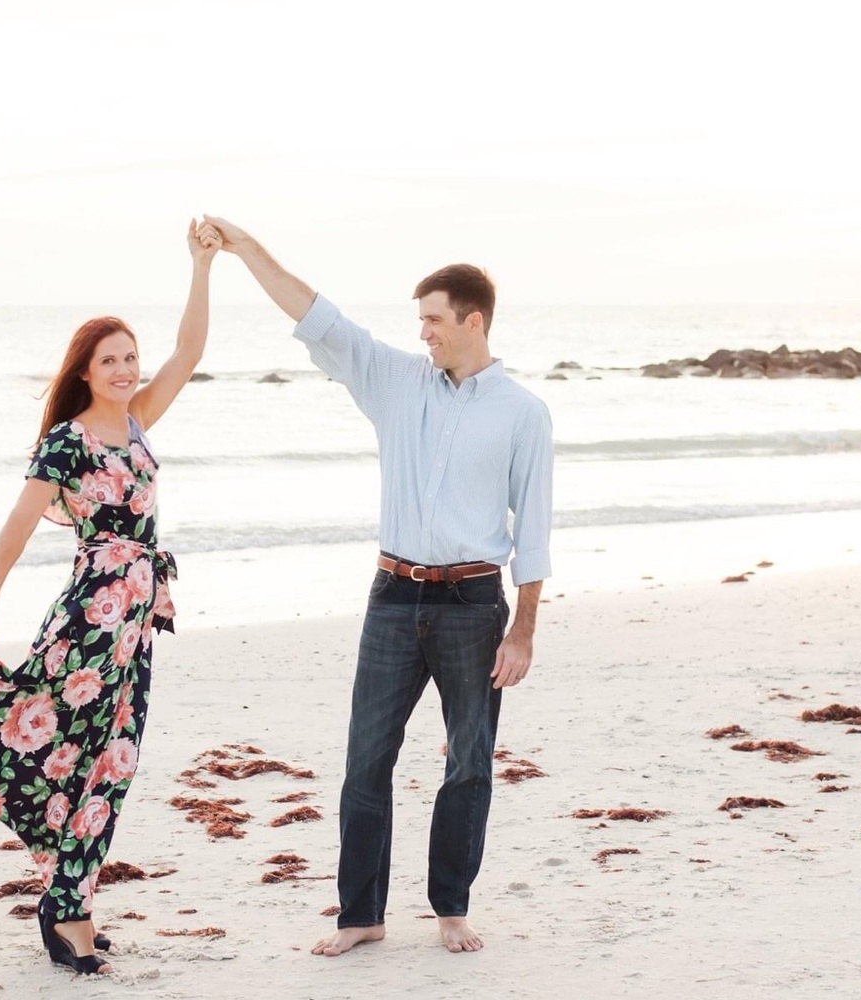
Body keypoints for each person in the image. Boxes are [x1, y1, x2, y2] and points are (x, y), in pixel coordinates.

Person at [202, 214, 554, 957]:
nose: (422, 332)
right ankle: (361, 914)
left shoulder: (523, 413)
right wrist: (245, 250)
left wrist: (524, 628)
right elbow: (313, 310)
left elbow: (537, 527)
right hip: (392, 598)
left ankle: (451, 909)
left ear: (472, 320)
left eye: (432, 319)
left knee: (469, 761)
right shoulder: (393, 381)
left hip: (472, 605)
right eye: (419, 321)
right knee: (366, 760)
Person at [0, 219, 223, 975]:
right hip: (90, 622)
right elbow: (20, 522)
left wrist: (201, 267)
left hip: (137, 624)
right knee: (70, 753)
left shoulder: (139, 419)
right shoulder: (68, 442)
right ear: (83, 370)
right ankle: (68, 908)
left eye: (129, 359)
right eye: (109, 360)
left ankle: (67, 896)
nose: (124, 369)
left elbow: (191, 353)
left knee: (111, 762)